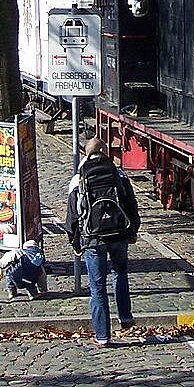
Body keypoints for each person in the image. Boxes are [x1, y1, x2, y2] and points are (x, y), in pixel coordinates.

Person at [66, 137, 140, 347]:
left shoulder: (79, 178)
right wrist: (132, 231)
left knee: (97, 287)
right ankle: (125, 317)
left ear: (86, 154)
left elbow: (72, 214)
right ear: (105, 151)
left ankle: (102, 335)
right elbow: (130, 203)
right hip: (118, 234)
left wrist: (75, 242)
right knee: (120, 274)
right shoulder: (118, 173)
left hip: (93, 238)